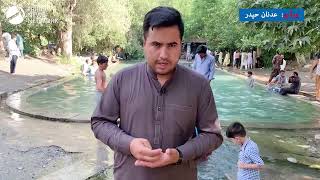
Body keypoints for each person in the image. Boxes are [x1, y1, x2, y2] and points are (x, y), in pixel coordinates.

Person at [91, 6, 223, 180]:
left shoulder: (199, 85)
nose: (163, 54)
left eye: (172, 45)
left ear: (180, 45)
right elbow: (100, 122)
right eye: (156, 44)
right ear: (144, 44)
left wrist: (179, 154)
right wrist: (129, 144)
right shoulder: (122, 80)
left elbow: (213, 135)